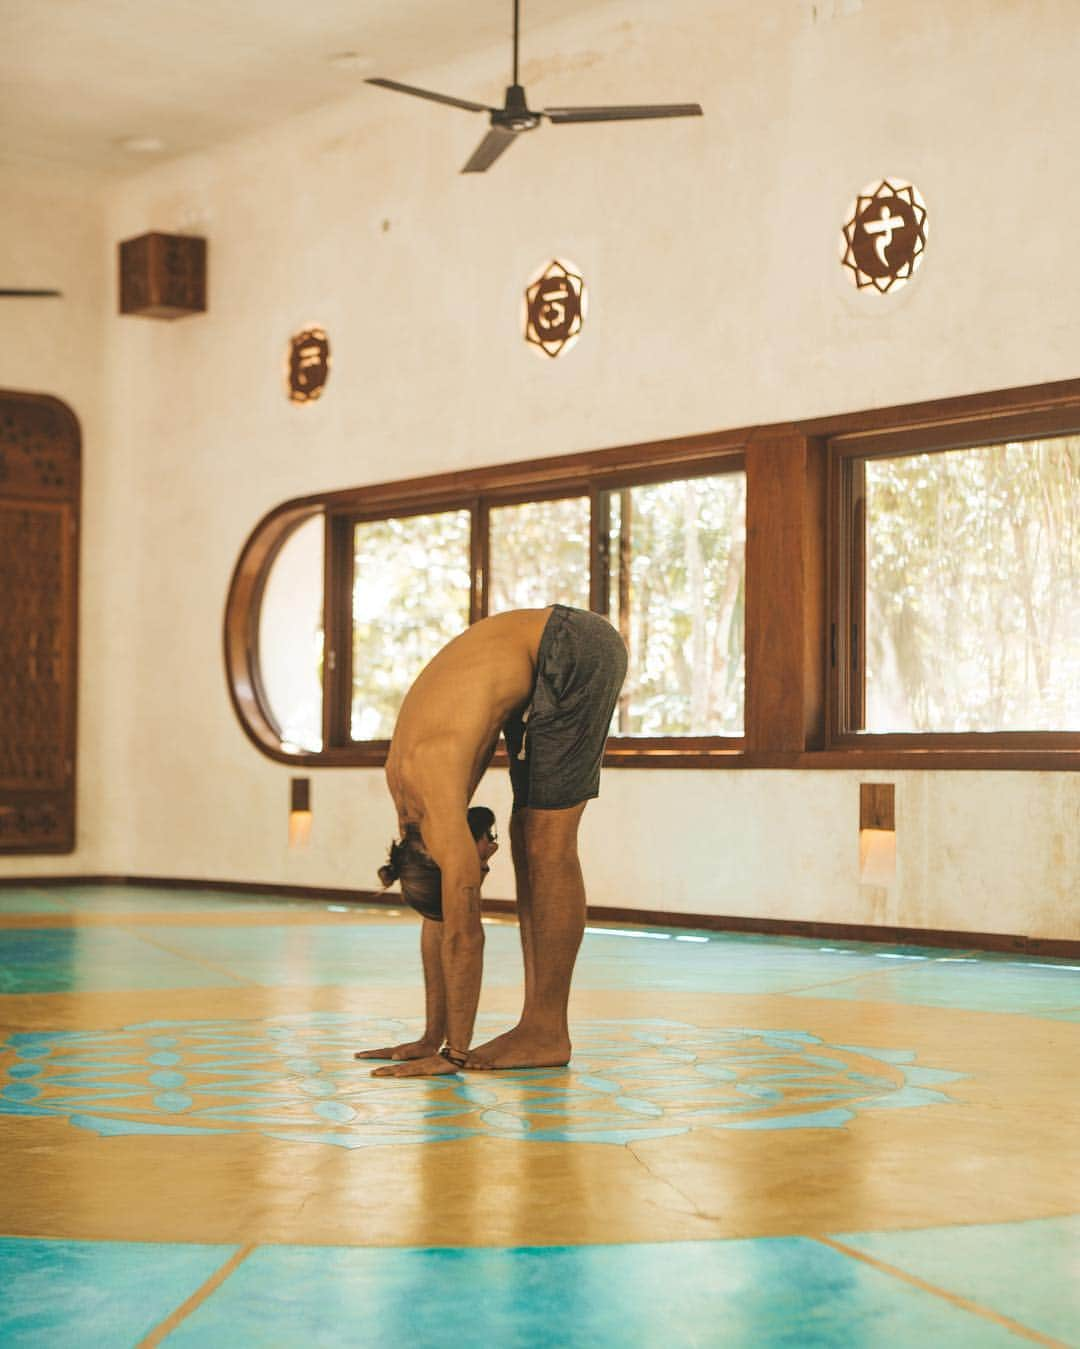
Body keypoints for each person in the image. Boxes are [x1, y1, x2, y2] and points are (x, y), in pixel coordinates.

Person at [353, 604, 627, 1077]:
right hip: (547, 649)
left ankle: (545, 1030)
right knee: (527, 832)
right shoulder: (415, 818)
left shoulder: (435, 803)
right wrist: (430, 1038)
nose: (488, 858)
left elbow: (465, 933)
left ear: (441, 854)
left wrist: (454, 1055)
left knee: (545, 840)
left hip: (569, 646)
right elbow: (442, 914)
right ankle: (538, 1027)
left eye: (477, 871)